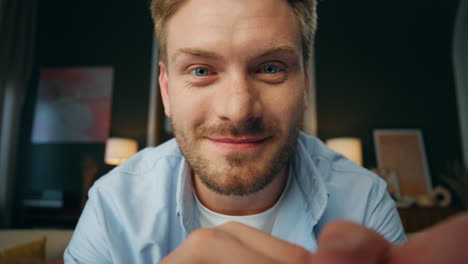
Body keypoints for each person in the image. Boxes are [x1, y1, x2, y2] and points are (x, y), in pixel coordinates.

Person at [64, 0, 468, 263]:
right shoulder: (113, 205)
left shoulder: (364, 200)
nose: (238, 110)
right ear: (167, 90)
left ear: (305, 85)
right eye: (202, 71)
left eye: (271, 68)